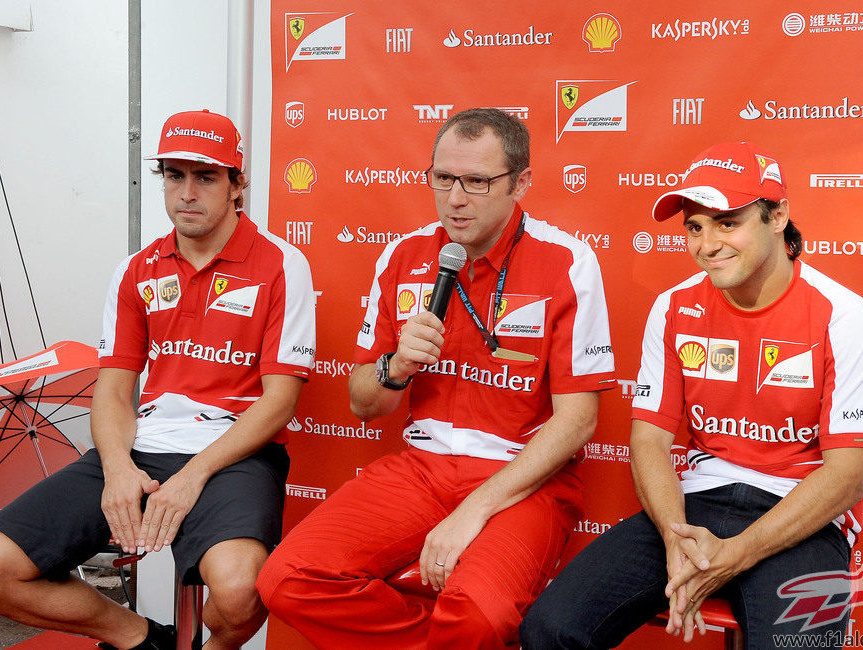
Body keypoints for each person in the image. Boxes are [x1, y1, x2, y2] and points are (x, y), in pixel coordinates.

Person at [256, 107, 616, 648]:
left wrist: (474, 511)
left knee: (478, 617)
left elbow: (578, 421)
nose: (455, 198)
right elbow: (363, 402)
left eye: (477, 182)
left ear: (521, 183)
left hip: (522, 478)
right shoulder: (404, 255)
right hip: (422, 469)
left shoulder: (567, 261)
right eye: (443, 179)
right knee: (287, 579)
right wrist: (395, 367)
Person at [0, 109, 316, 650]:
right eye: (174, 176)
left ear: (238, 184)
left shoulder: (281, 265)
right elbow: (113, 390)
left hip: (233, 454)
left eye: (206, 176)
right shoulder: (136, 269)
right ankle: (143, 639)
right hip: (142, 448)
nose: (187, 192)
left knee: (241, 592)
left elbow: (279, 402)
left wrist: (193, 476)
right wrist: (119, 468)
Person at [520, 141, 863, 648]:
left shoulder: (845, 315)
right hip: (694, 507)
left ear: (778, 216)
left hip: (800, 518)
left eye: (726, 222)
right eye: (695, 227)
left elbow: (847, 478)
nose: (707, 244)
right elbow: (649, 441)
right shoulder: (673, 307)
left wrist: (733, 555)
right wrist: (675, 538)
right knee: (550, 629)